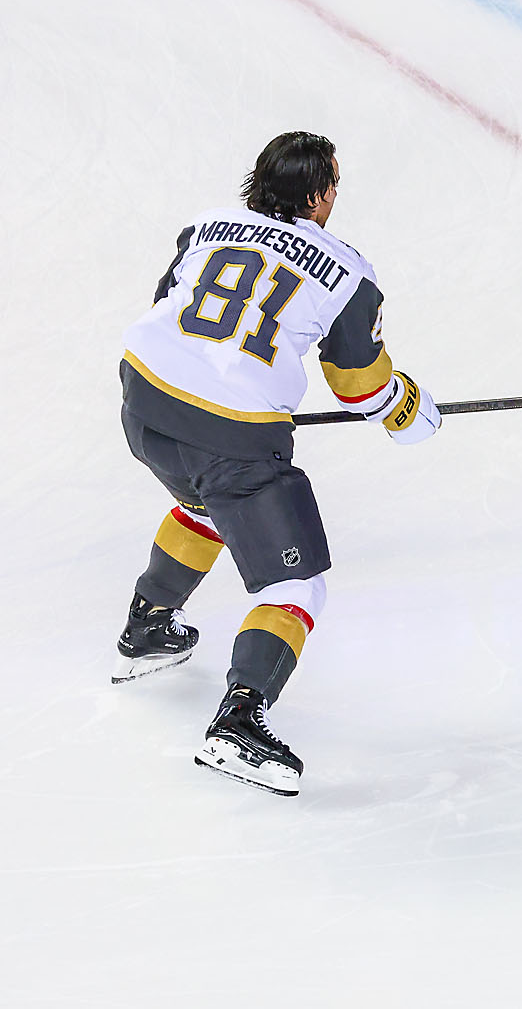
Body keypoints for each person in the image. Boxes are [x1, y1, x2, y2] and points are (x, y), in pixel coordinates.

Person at [116, 131, 440, 796]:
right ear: (320, 195)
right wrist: (404, 407)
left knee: (203, 500)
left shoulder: (205, 228)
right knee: (296, 586)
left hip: (143, 401)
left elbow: (167, 310)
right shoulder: (347, 272)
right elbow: (358, 385)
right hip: (231, 437)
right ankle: (239, 719)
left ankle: (148, 624)